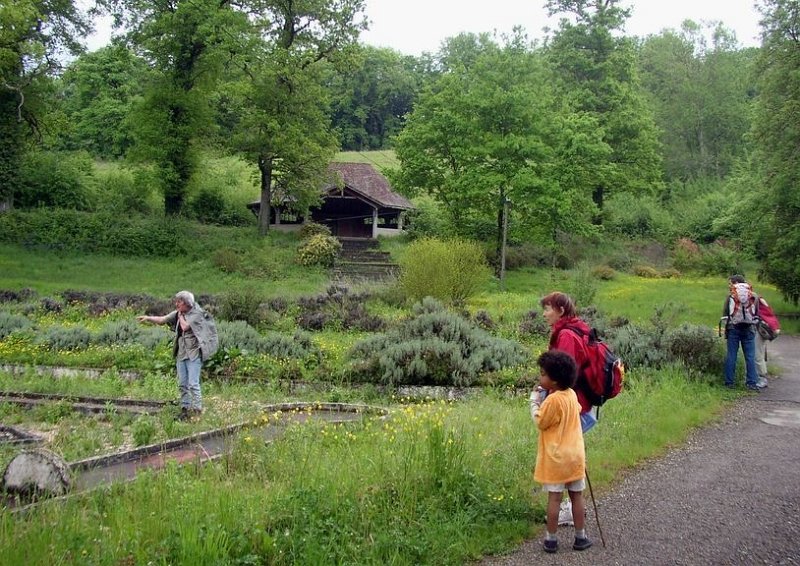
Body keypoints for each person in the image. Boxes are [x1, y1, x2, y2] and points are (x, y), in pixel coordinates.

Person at [540, 291, 596, 526]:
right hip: (579, 402)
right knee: (572, 453)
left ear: (561, 310)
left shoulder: (566, 336)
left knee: (564, 457)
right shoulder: (575, 328)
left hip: (573, 405)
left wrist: (546, 402)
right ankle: (572, 510)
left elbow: (562, 376)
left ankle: (564, 510)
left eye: (548, 309)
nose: (544, 314)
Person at [529, 350, 593, 554]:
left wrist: (534, 400)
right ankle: (580, 537)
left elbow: (541, 421)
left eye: (543, 374)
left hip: (557, 458)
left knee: (555, 499)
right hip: (575, 456)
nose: (541, 377)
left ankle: (551, 540)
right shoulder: (572, 395)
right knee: (577, 497)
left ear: (554, 381)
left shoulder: (552, 401)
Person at [137, 290, 217, 420]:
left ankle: (197, 410)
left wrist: (180, 316)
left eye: (179, 302)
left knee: (193, 383)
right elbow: (163, 319)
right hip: (182, 353)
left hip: (194, 354)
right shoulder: (180, 312)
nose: (176, 304)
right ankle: (184, 409)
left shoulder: (197, 314)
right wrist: (148, 318)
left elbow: (185, 326)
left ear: (186, 303)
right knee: (182, 383)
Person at [722, 275, 761, 391]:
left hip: (733, 328)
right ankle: (751, 383)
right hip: (749, 329)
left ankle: (729, 383)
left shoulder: (731, 296)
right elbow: (757, 314)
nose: (729, 285)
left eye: (730, 283)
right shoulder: (753, 296)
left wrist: (727, 329)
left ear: (735, 283)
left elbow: (725, 315)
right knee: (750, 357)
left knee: (731, 356)